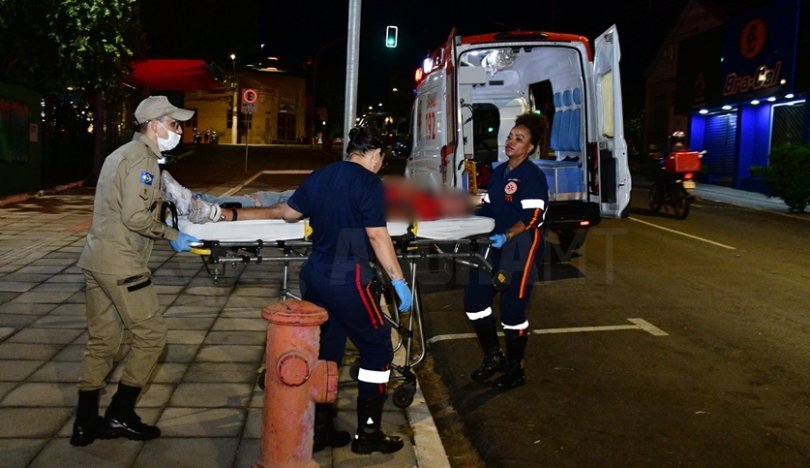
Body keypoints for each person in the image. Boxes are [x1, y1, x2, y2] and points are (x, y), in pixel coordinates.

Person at [71, 96, 200, 447]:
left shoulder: (119, 155)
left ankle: (84, 424)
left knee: (103, 342)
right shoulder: (142, 160)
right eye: (175, 124)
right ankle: (120, 413)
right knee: (152, 338)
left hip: (96, 260)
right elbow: (135, 217)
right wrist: (172, 235)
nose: (180, 130)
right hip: (121, 265)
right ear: (155, 124)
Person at [279, 126, 412, 454]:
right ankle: (368, 433)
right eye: (382, 160)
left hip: (315, 274)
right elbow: (378, 237)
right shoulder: (369, 183)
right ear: (375, 155)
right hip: (347, 276)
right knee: (378, 349)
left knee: (328, 350)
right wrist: (399, 281)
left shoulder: (322, 174)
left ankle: (322, 428)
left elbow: (289, 213)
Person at [464, 112, 549, 392]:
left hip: (520, 246)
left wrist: (508, 234)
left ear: (531, 147)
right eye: (511, 136)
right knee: (475, 301)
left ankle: (515, 368)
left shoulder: (532, 177)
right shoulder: (500, 172)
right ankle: (493, 356)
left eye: (519, 139)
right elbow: (488, 206)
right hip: (495, 243)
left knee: (513, 311)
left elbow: (534, 215)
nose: (511, 141)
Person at [160, 170, 474, 223]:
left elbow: (385, 214)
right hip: (337, 190)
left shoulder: (426, 209)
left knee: (269, 204)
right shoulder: (425, 199)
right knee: (265, 196)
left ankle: (194, 204)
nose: (454, 196)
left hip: (336, 201)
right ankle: (192, 200)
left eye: (458, 201)